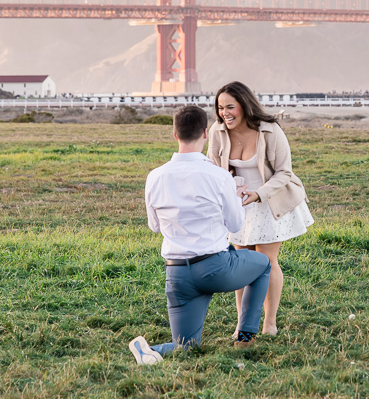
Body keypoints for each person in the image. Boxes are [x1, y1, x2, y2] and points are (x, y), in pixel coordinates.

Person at [129, 105, 272, 366]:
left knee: (186, 346)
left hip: (177, 275)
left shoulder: (155, 177)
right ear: (205, 134)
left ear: (174, 134)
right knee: (263, 265)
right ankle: (245, 336)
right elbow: (235, 224)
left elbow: (155, 226)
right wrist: (235, 200)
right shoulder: (218, 176)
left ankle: (153, 350)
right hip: (215, 269)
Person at [207, 81, 313, 337]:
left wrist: (258, 194)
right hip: (238, 204)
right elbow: (212, 167)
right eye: (220, 108)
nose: (224, 113)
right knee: (241, 263)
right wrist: (229, 190)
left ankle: (269, 323)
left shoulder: (270, 130)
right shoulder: (217, 131)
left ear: (244, 105)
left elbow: (284, 172)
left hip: (269, 199)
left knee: (266, 261)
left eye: (230, 107)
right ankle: (243, 324)